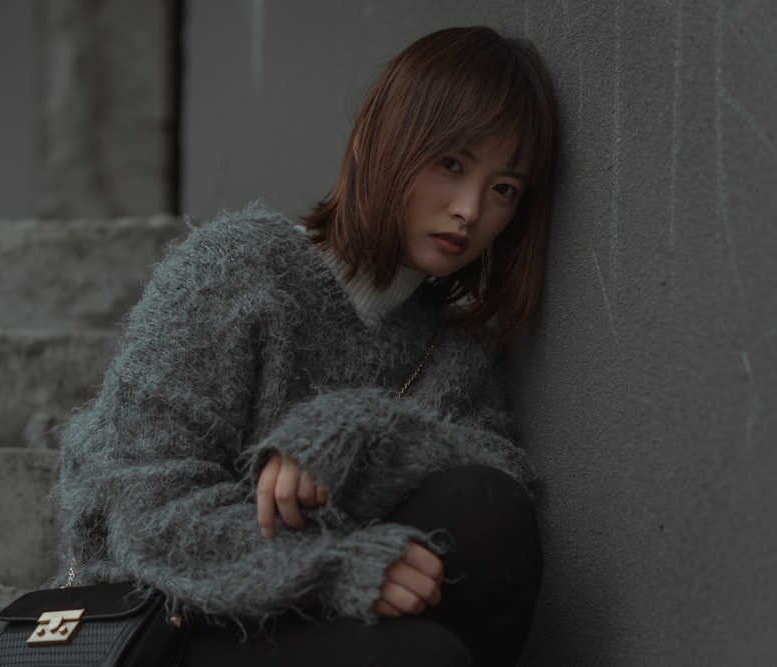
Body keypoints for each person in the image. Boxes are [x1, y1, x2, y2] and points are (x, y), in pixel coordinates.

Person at [55, 25, 558, 667]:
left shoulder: (455, 346)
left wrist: (360, 433)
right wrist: (331, 565)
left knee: (491, 509)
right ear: (378, 142)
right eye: (452, 163)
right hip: (164, 615)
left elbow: (502, 474)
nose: (469, 209)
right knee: (423, 658)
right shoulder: (236, 269)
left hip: (307, 614)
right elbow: (149, 512)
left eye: (504, 189)